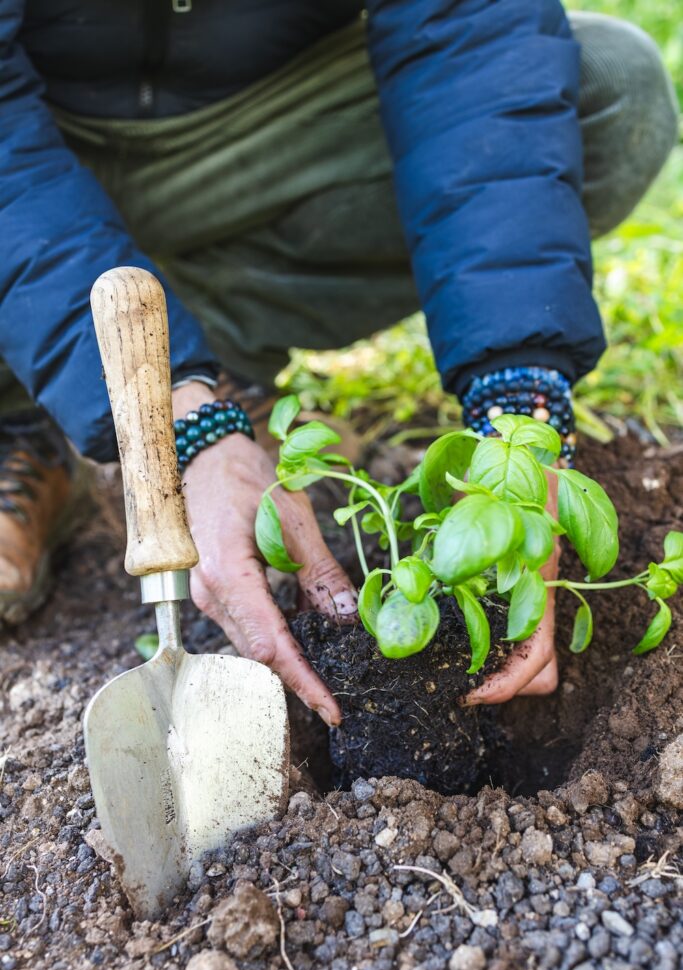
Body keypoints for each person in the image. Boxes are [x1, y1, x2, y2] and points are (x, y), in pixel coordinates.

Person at [0, 1, 678, 726]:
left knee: (607, 90)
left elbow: (467, 31)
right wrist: (178, 431)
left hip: (250, 135)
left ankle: (211, 363)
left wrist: (518, 404)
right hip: (29, 138)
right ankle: (21, 415)